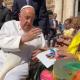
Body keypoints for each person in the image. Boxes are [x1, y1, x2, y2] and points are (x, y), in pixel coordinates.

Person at [0, 5, 46, 80]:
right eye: (27, 18)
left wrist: (41, 52)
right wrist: (22, 39)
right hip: (3, 59)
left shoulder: (38, 33)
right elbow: (1, 41)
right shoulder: (9, 25)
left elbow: (45, 49)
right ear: (19, 16)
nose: (29, 22)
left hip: (21, 65)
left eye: (32, 19)